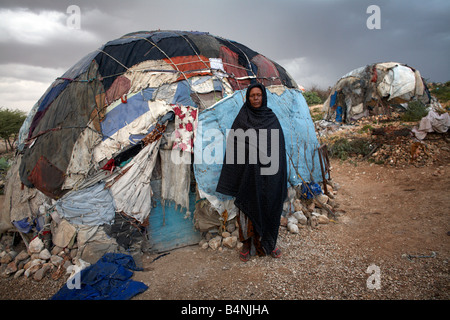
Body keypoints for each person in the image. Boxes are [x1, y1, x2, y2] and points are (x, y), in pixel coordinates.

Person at [216, 82, 287, 262]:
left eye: (258, 95)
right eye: (252, 96)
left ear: (263, 97)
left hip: (267, 175)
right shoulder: (242, 118)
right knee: (246, 209)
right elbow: (236, 146)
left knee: (269, 206)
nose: (255, 99)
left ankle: (269, 243)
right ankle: (247, 243)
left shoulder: (271, 118)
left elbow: (277, 147)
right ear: (248, 98)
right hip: (247, 175)